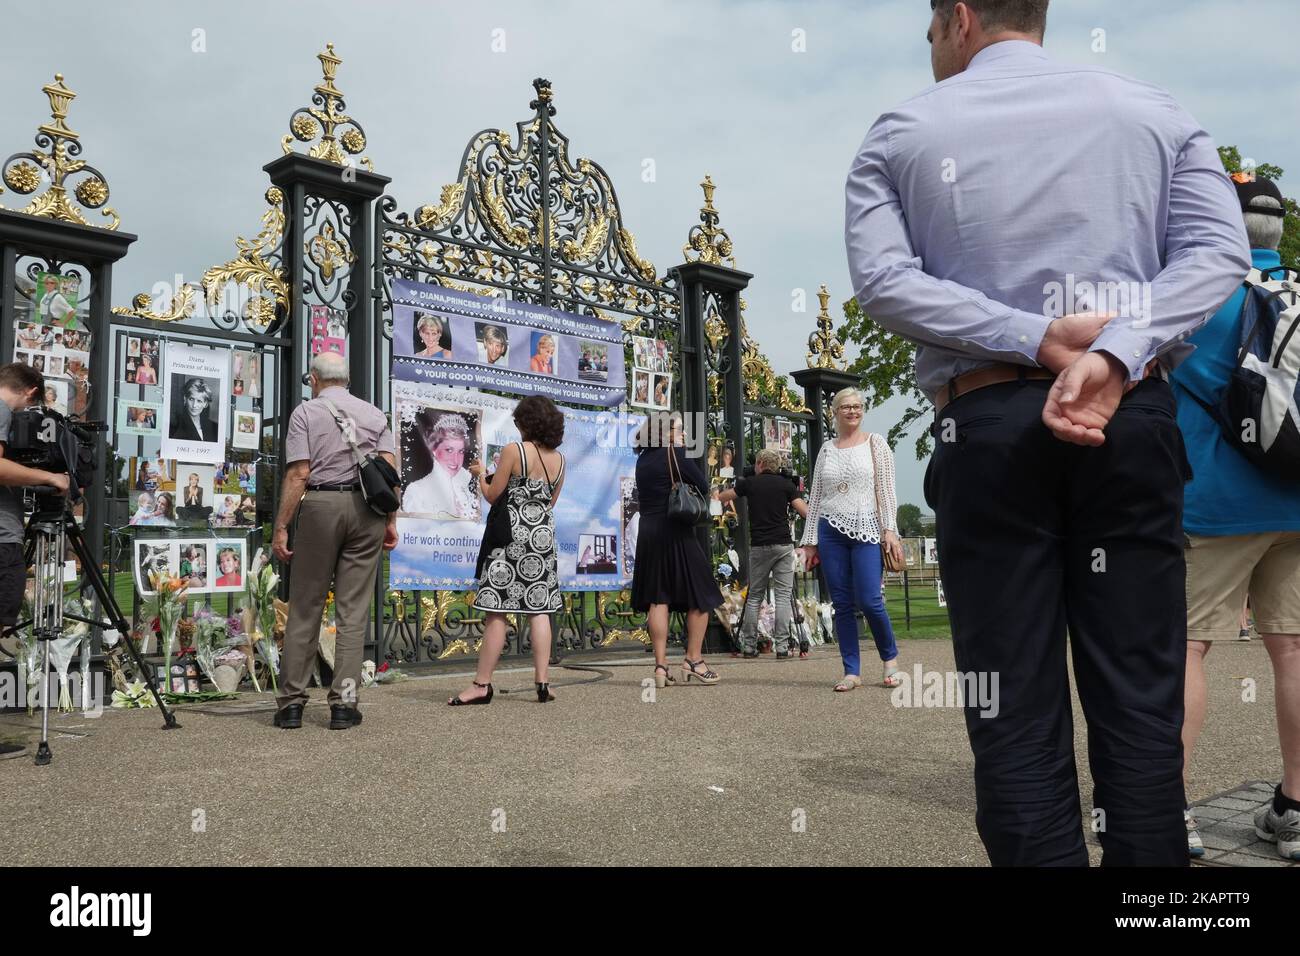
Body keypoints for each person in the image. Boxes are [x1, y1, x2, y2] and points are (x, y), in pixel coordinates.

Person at [844, 1, 1250, 866]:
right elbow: (1219, 257)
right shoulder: (1157, 111)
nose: (931, 52)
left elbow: (882, 280)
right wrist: (1118, 351)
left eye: (929, 35)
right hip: (1129, 415)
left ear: (957, 18)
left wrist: (1031, 335)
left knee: (1012, 708)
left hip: (987, 424)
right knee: (1141, 698)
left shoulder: (904, 132)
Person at [1173, 175, 1300, 861]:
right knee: (1295, 649)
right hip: (1298, 500)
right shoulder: (1298, 292)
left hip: (1217, 502)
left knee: (1188, 648)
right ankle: (1295, 809)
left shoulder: (1204, 296)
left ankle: (1172, 808)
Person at [272, 351, 398, 731]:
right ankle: (344, 704)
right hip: (367, 511)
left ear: (314, 378)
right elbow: (390, 471)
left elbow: (299, 474)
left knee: (306, 605)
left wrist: (281, 526)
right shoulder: (375, 414)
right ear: (347, 379)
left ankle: (291, 702)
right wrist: (390, 520)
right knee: (353, 611)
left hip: (321, 505)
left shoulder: (306, 413)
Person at [450, 395, 567, 706]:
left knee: (497, 610)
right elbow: (549, 502)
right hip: (542, 535)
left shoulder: (514, 451)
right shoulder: (560, 459)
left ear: (527, 422)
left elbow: (493, 495)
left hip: (511, 536)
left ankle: (481, 685)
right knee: (538, 608)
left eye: (518, 422)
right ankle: (542, 683)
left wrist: (479, 475)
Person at [799, 389, 903, 688]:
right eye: (846, 407)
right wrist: (810, 541)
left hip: (868, 529)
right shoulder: (827, 450)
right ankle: (851, 671)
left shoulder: (876, 444)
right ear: (835, 411)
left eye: (857, 406)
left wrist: (890, 529)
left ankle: (890, 659)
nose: (853, 411)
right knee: (842, 604)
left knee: (870, 600)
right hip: (831, 532)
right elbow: (816, 496)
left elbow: (886, 492)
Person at [631, 411, 723, 688]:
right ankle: (693, 660)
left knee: (658, 597)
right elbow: (703, 485)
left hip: (649, 531)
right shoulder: (675, 454)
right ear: (664, 432)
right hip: (676, 531)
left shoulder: (643, 459)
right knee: (703, 594)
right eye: (679, 429)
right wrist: (682, 453)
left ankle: (660, 666)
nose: (684, 434)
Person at [716, 449, 809, 659]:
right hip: (783, 545)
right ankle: (783, 647)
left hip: (759, 545)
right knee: (784, 596)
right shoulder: (786, 485)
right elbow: (805, 512)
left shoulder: (749, 483)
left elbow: (724, 496)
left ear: (759, 463)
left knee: (755, 596)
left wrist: (716, 494)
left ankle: (749, 646)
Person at [401, 413, 478, 519]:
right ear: (434, 450)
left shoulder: (466, 489)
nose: (455, 459)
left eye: (461, 451)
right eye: (449, 450)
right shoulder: (416, 491)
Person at [170, 378, 218, 443]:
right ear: (185, 399)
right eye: (191, 399)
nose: (194, 405)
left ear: (205, 404)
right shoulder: (175, 426)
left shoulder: (214, 428)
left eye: (199, 401)